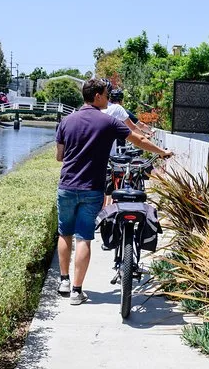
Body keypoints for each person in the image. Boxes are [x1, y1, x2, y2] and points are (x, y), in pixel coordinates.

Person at [55, 78, 172, 305]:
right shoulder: (107, 121)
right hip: (91, 188)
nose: (108, 100)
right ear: (97, 96)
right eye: (106, 95)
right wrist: (162, 152)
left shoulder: (66, 121)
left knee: (64, 233)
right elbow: (138, 139)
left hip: (66, 186)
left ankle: (64, 281)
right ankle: (77, 292)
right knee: (84, 238)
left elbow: (59, 156)